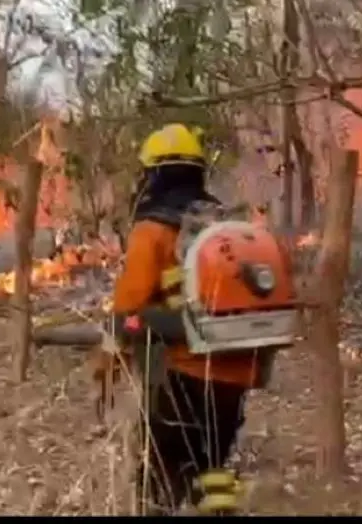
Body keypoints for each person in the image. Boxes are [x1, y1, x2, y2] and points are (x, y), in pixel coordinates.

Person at [110, 123, 269, 516]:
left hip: (183, 371)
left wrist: (116, 345)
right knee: (211, 466)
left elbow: (129, 306)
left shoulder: (153, 230)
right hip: (235, 372)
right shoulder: (226, 226)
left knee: (160, 474)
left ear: (155, 174)